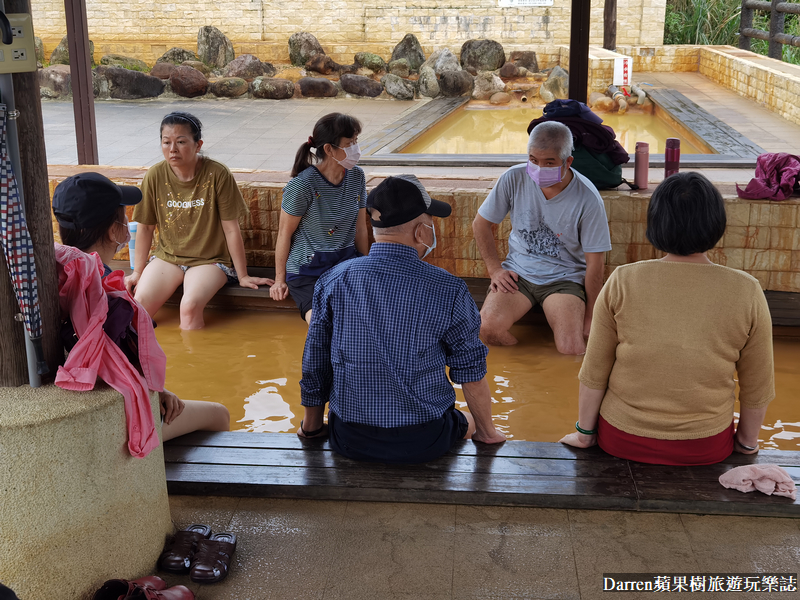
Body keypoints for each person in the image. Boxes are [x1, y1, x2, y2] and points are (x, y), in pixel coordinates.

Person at [560, 172, 775, 465]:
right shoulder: (747, 290)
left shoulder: (623, 280)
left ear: (656, 222)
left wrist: (585, 434)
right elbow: (758, 384)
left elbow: (595, 370)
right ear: (716, 224)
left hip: (621, 438)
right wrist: (747, 444)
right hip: (706, 446)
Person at [298, 175, 506, 463]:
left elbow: (315, 360)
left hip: (349, 438)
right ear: (421, 231)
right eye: (431, 222)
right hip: (424, 440)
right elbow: (470, 370)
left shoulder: (334, 279)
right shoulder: (449, 288)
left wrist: (311, 428)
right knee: (468, 420)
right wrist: (487, 432)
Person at [53, 172, 230, 442]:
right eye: (123, 217)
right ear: (115, 231)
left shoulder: (60, 271)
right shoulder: (104, 292)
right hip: (117, 423)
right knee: (219, 414)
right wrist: (156, 392)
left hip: (76, 402)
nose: (127, 223)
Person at [472, 121, 612, 354]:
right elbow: (481, 224)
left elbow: (595, 265)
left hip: (564, 278)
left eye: (549, 163)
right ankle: (522, 376)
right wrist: (495, 270)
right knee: (487, 329)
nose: (538, 169)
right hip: (519, 273)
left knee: (571, 348)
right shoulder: (513, 178)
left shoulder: (588, 198)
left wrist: (591, 318)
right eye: (533, 160)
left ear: (567, 162)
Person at [126, 112, 272, 329]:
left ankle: (194, 361)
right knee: (138, 306)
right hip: (168, 258)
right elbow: (146, 228)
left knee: (189, 307)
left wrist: (242, 275)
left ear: (198, 144)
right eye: (166, 142)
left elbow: (231, 230)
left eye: (181, 142)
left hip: (209, 260)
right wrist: (138, 271)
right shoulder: (155, 175)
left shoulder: (217, 174)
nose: (172, 149)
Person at [269, 112, 369, 323]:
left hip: (346, 264)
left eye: (356, 142)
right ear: (328, 149)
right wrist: (279, 280)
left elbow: (361, 228)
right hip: (307, 272)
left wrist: (366, 266)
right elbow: (284, 234)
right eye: (349, 143)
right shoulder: (302, 185)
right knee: (321, 323)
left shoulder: (357, 176)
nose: (356, 149)